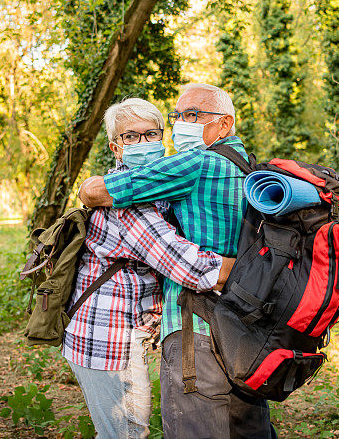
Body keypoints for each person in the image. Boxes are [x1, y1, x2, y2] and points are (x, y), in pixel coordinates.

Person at [80, 84, 277, 439]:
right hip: (116, 331)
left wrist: (90, 187)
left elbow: (95, 191)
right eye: (178, 116)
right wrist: (261, 278)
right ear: (115, 145)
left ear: (224, 124)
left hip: (194, 324)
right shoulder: (249, 168)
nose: (181, 124)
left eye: (193, 115)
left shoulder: (193, 165)